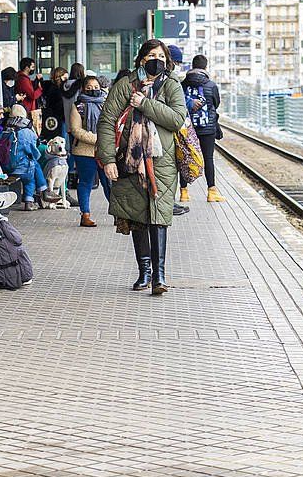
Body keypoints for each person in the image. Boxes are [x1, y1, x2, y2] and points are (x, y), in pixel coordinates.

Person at [96, 39, 187, 296]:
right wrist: (108, 160)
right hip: (129, 160)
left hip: (162, 162)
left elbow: (177, 119)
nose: (155, 59)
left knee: (159, 217)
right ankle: (144, 271)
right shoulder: (125, 85)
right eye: (150, 55)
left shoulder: (171, 86)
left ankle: (159, 276)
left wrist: (145, 103)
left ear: (167, 60)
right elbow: (106, 121)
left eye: (160, 55)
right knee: (138, 216)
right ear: (141, 59)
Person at [67, 75, 112, 228]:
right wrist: (98, 139)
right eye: (89, 87)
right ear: (83, 88)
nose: (93, 90)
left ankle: (119, 215)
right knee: (85, 182)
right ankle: (85, 215)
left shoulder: (106, 103)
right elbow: (75, 130)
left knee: (109, 183)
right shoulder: (78, 105)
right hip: (84, 151)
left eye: (96, 87)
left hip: (105, 150)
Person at [183, 54, 225, 203]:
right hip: (207, 128)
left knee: (185, 158)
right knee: (208, 159)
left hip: (187, 128)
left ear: (192, 66)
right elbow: (216, 103)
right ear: (205, 67)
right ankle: (211, 192)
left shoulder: (183, 83)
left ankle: (184, 192)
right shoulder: (211, 85)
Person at [4, 105, 46, 211]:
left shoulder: (5, 130)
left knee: (32, 164)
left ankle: (44, 190)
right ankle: (30, 201)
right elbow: (33, 150)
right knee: (30, 178)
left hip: (5, 166)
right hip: (20, 167)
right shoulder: (26, 131)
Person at [167, 45, 191, 218]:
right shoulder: (168, 80)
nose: (175, 65)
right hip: (168, 131)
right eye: (175, 62)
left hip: (171, 130)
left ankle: (170, 201)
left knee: (171, 169)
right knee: (168, 169)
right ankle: (168, 203)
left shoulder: (170, 79)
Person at [40, 66, 68, 142]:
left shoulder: (50, 86)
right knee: (62, 137)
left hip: (53, 116)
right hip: (60, 116)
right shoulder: (58, 89)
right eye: (65, 77)